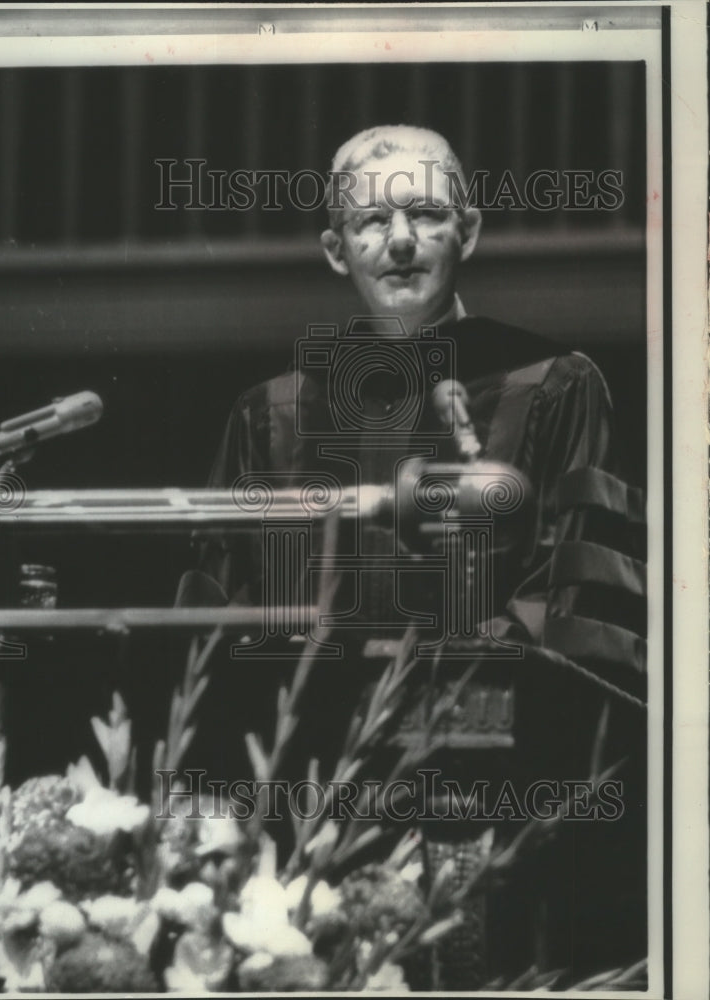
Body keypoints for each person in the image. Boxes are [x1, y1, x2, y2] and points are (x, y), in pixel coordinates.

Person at [179, 125, 646, 983]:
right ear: (334, 249)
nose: (398, 241)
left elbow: (582, 599)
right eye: (368, 223)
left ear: (465, 233)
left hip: (492, 794)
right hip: (300, 790)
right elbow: (213, 623)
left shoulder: (554, 383)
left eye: (425, 215)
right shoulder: (272, 411)